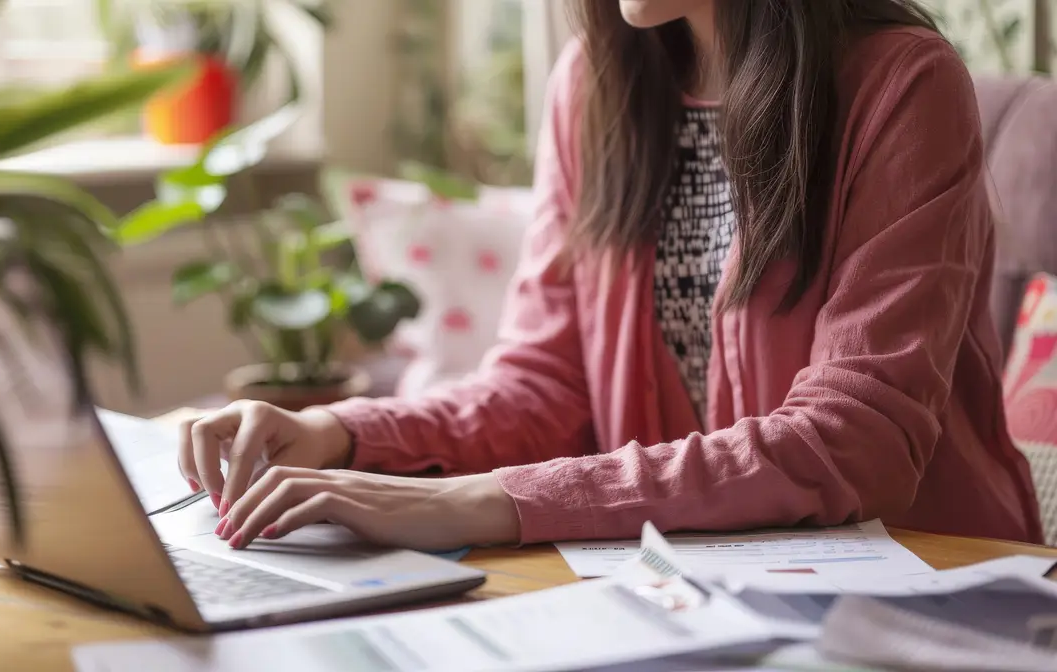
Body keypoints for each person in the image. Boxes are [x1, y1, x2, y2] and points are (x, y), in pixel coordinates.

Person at [179, 0, 1044, 552]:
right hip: (686, 581)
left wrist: (490, 500)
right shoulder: (595, 87)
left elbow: (854, 441)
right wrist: (339, 433)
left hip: (923, 584)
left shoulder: (901, 86)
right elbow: (543, 386)